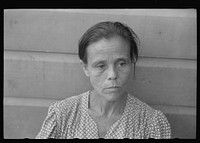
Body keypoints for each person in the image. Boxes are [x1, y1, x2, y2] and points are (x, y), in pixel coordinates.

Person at [36, 21, 171, 139]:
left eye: (121, 63)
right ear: (85, 68)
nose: (112, 75)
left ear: (132, 62)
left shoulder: (151, 123)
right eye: (101, 66)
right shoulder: (63, 115)